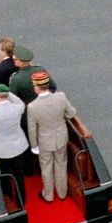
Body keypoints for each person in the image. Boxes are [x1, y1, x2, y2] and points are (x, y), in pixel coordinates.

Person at [26, 71, 76, 203]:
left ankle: (48, 195)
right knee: (61, 165)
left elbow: (32, 129)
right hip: (61, 138)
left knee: (46, 168)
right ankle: (62, 193)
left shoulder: (32, 107)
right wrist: (61, 119)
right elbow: (71, 113)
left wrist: (34, 146)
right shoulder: (61, 96)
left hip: (44, 142)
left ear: (36, 87)